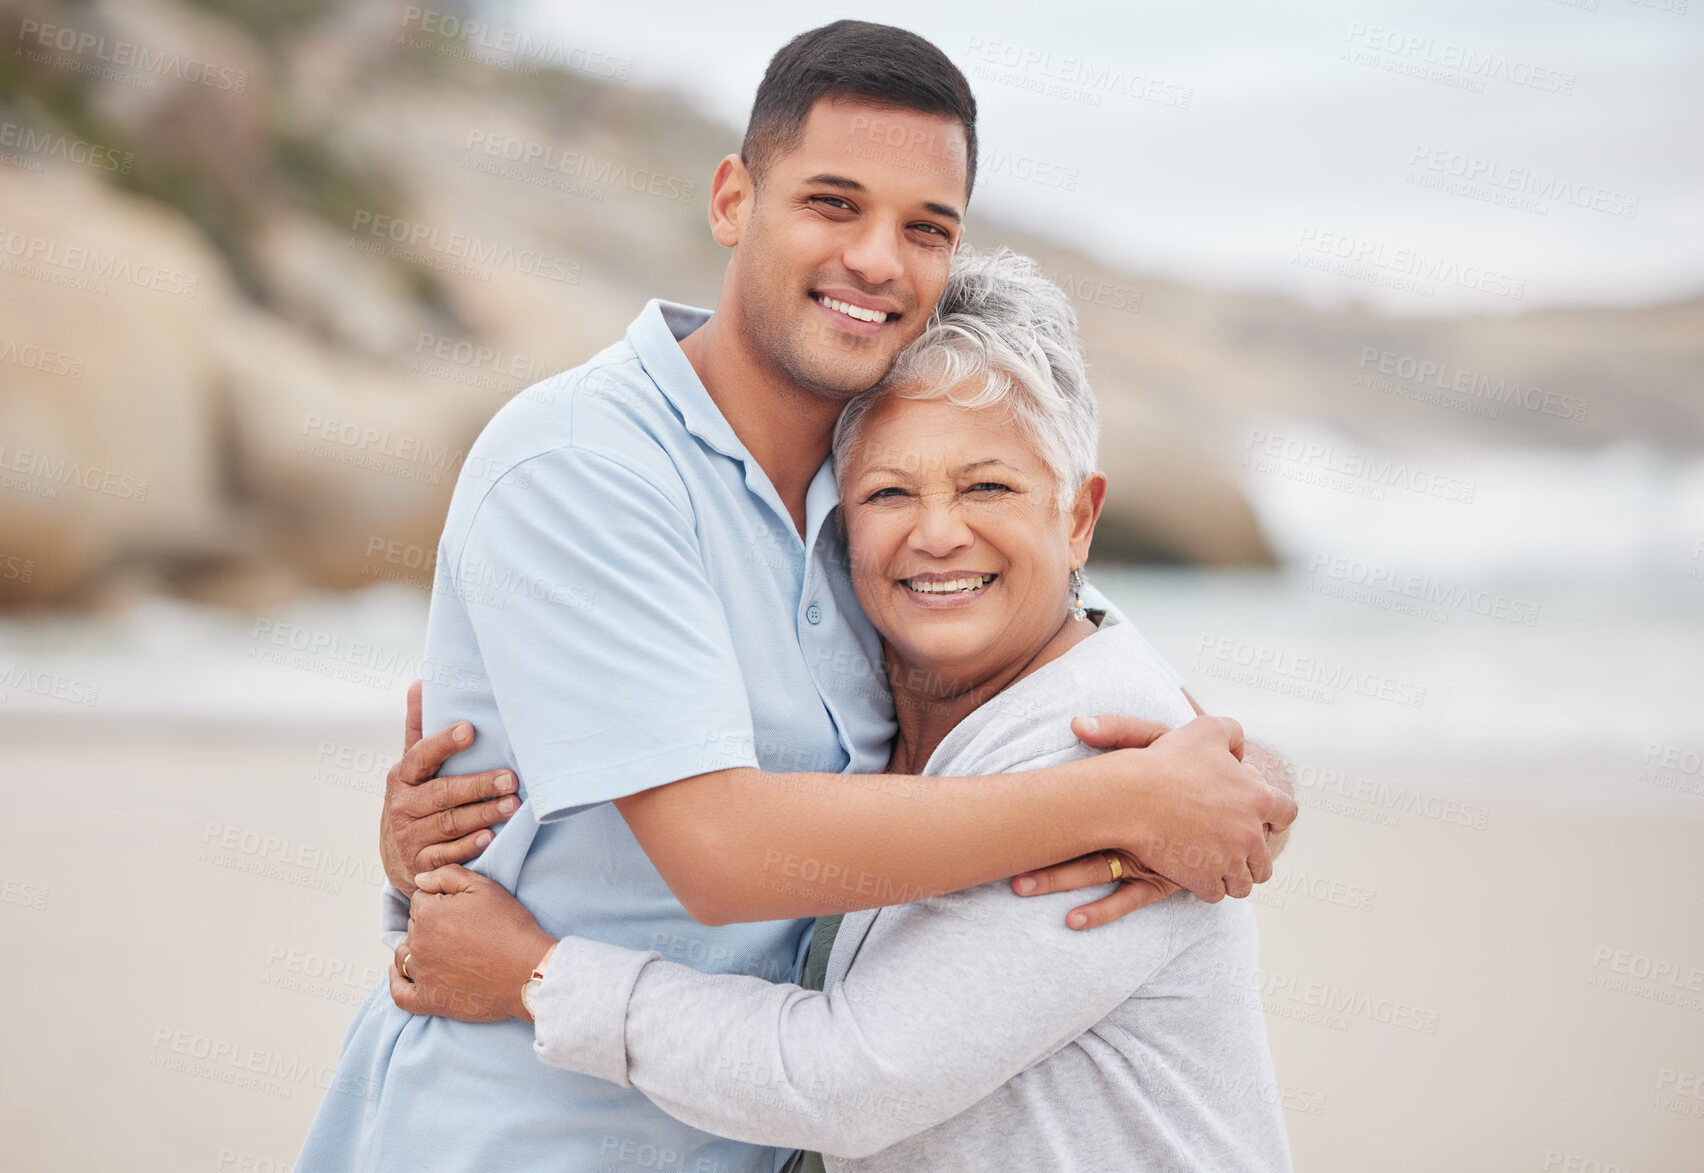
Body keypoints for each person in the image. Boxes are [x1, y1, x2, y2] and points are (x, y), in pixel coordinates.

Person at [298, 21, 1295, 1173]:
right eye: (834, 202)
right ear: (733, 200)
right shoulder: (579, 466)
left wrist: (1244, 782)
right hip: (525, 1135)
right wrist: (1121, 802)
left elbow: (1060, 624)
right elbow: (721, 849)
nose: (879, 258)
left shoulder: (869, 492)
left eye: (927, 228)